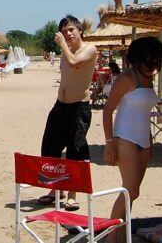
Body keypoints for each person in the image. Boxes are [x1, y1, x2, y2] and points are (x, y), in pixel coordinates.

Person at [103, 36, 162, 243]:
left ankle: (122, 234)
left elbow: (144, 113)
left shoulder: (148, 78)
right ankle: (112, 238)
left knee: (133, 193)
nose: (152, 65)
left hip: (144, 140)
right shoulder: (127, 78)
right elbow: (107, 111)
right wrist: (109, 144)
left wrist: (150, 141)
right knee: (130, 190)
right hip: (125, 138)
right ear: (138, 58)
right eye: (148, 60)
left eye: (155, 61)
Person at [38, 14, 97, 211]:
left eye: (71, 29)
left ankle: (72, 194)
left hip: (78, 108)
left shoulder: (89, 49)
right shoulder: (65, 51)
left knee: (75, 150)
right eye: (64, 31)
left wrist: (63, 44)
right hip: (60, 106)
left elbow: (74, 63)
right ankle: (55, 190)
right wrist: (65, 46)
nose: (68, 33)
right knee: (50, 147)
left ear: (80, 31)